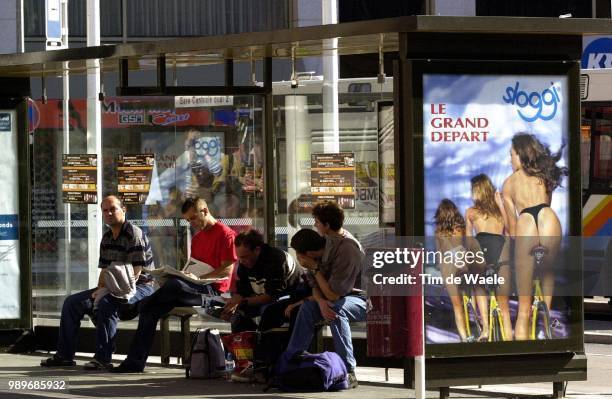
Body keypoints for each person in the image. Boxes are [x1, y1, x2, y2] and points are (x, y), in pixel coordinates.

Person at [112, 196, 237, 373]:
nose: (191, 223)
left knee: (174, 287)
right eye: (187, 220)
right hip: (191, 286)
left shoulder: (226, 234)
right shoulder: (198, 238)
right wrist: (185, 274)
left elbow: (227, 271)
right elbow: (193, 265)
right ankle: (134, 363)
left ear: (205, 211)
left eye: (193, 218)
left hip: (213, 291)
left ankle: (136, 306)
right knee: (151, 308)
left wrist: (198, 278)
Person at [40, 195, 155, 370]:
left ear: (123, 210)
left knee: (107, 303)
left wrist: (106, 294)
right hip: (113, 286)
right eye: (105, 210)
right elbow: (104, 271)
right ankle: (64, 356)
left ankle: (103, 358)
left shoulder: (134, 234)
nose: (108, 213)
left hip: (141, 287)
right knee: (72, 302)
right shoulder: (107, 238)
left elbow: (136, 273)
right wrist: (99, 291)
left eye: (113, 209)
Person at [501, 133, 568, 340]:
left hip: (526, 221)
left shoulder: (509, 184)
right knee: (547, 271)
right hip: (548, 217)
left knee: (523, 310)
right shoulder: (545, 174)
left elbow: (512, 231)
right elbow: (547, 202)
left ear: (520, 154)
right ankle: (546, 318)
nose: (510, 159)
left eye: (511, 155)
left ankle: (521, 358)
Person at [284, 228, 365, 389]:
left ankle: (349, 370)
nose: (299, 259)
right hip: (332, 300)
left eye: (300, 255)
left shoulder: (339, 254)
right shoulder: (314, 260)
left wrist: (315, 269)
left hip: (362, 299)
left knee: (335, 310)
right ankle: (292, 360)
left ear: (309, 253)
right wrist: (320, 301)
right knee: (307, 308)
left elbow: (333, 295)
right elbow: (316, 288)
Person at [221, 229, 302, 333]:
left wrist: (241, 302)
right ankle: (244, 343)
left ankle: (263, 342)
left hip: (292, 299)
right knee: (238, 314)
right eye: (239, 257)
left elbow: (272, 296)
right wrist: (232, 304)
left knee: (268, 310)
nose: (241, 261)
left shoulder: (276, 260)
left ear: (257, 250)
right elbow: (241, 292)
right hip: (266, 299)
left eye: (244, 257)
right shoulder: (244, 263)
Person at [465, 174, 513, 341]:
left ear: (477, 191)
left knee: (478, 287)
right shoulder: (500, 212)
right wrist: (500, 204)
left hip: (481, 250)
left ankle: (485, 329)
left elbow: (469, 241)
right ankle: (508, 337)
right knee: (503, 303)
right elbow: (509, 232)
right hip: (499, 252)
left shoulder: (471, 212)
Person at [434, 199, 473, 342]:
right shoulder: (460, 227)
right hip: (462, 261)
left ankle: (464, 337)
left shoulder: (438, 231)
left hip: (448, 265)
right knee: (469, 296)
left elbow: (439, 255)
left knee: (457, 306)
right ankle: (476, 323)